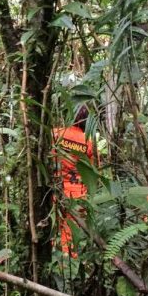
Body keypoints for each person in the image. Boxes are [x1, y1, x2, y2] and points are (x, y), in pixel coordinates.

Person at [52, 106, 96, 258]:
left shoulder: (56, 133)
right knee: (72, 230)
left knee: (54, 224)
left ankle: (55, 259)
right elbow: (93, 171)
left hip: (56, 188)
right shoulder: (88, 143)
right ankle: (70, 258)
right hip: (78, 192)